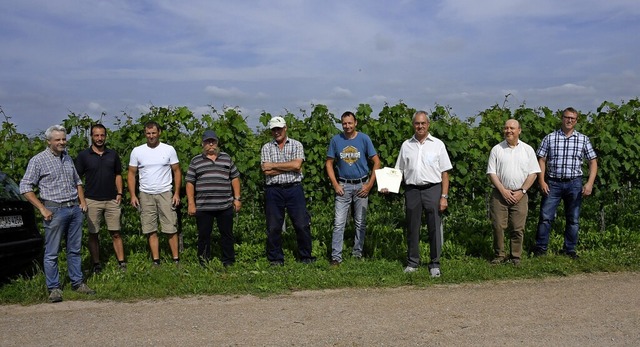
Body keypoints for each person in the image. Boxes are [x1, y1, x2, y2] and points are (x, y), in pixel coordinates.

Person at [19, 124, 95, 303]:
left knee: (74, 249)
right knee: (52, 252)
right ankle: (54, 288)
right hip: (54, 210)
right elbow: (25, 187)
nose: (62, 142)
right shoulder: (38, 160)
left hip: (73, 208)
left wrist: (82, 202)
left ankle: (77, 282)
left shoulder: (67, 158)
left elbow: (78, 181)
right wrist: (42, 208)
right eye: (58, 140)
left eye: (63, 139)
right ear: (48, 141)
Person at [533, 107, 597, 258]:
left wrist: (589, 183)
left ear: (576, 121)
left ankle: (570, 250)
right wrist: (541, 181)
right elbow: (541, 159)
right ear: (562, 118)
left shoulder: (583, 139)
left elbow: (592, 162)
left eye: (572, 118)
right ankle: (541, 248)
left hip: (574, 183)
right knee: (545, 217)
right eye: (566, 117)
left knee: (573, 219)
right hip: (553, 182)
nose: (569, 120)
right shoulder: (550, 138)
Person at [394, 111, 452, 277]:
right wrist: (389, 187)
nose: (420, 126)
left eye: (423, 123)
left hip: (433, 189)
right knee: (412, 227)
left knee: (434, 226)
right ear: (413, 125)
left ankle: (434, 264)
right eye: (417, 123)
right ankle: (413, 262)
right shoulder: (406, 145)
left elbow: (445, 174)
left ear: (428, 125)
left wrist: (444, 196)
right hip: (412, 190)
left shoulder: (438, 144)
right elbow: (399, 170)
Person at [326, 111, 381, 265]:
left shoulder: (364, 139)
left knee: (360, 222)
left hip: (361, 184)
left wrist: (369, 185)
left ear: (355, 123)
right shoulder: (336, 140)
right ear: (341, 124)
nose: (347, 126)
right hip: (343, 185)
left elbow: (376, 162)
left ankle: (357, 253)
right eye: (344, 123)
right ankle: (336, 257)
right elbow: (329, 163)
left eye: (350, 123)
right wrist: (335, 184)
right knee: (338, 223)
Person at [260, 116, 316, 266]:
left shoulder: (297, 145)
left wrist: (274, 165)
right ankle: (276, 258)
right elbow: (266, 170)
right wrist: (289, 167)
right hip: (273, 190)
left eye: (279, 128)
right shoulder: (266, 147)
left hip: (294, 189)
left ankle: (305, 256)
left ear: (285, 128)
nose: (276, 132)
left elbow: (297, 166)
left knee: (301, 224)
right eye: (273, 129)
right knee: (273, 226)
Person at [486, 119, 540, 266]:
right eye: (506, 128)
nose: (508, 130)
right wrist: (503, 191)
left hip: (520, 194)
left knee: (517, 227)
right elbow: (492, 173)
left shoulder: (528, 150)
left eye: (512, 128)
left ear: (519, 131)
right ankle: (499, 255)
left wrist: (522, 191)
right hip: (499, 193)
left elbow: (533, 173)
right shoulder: (497, 149)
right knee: (498, 225)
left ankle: (515, 256)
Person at [127, 121, 182, 265]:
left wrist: (176, 193)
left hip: (165, 192)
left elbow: (176, 171)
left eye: (153, 133)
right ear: (145, 134)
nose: (151, 136)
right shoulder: (137, 151)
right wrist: (133, 195)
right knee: (150, 228)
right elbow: (131, 174)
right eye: (148, 133)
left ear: (159, 133)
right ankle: (156, 260)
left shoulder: (169, 149)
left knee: (170, 227)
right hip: (146, 194)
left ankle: (176, 259)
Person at [75, 124, 126, 273]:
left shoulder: (112, 154)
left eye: (102, 135)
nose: (99, 138)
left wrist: (120, 193)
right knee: (93, 233)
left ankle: (121, 262)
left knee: (116, 232)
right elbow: (77, 179)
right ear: (91, 136)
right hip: (92, 200)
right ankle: (96, 264)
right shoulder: (83, 156)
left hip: (111, 199)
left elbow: (118, 174)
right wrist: (82, 199)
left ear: (106, 136)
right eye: (96, 135)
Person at [186, 130, 241, 267]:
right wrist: (191, 203)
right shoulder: (196, 161)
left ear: (217, 143)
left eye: (213, 141)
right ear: (202, 143)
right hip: (204, 206)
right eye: (207, 141)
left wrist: (237, 198)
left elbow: (234, 178)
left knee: (227, 235)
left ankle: (228, 261)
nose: (210, 144)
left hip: (225, 205)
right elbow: (190, 183)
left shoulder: (226, 158)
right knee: (204, 235)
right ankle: (204, 261)